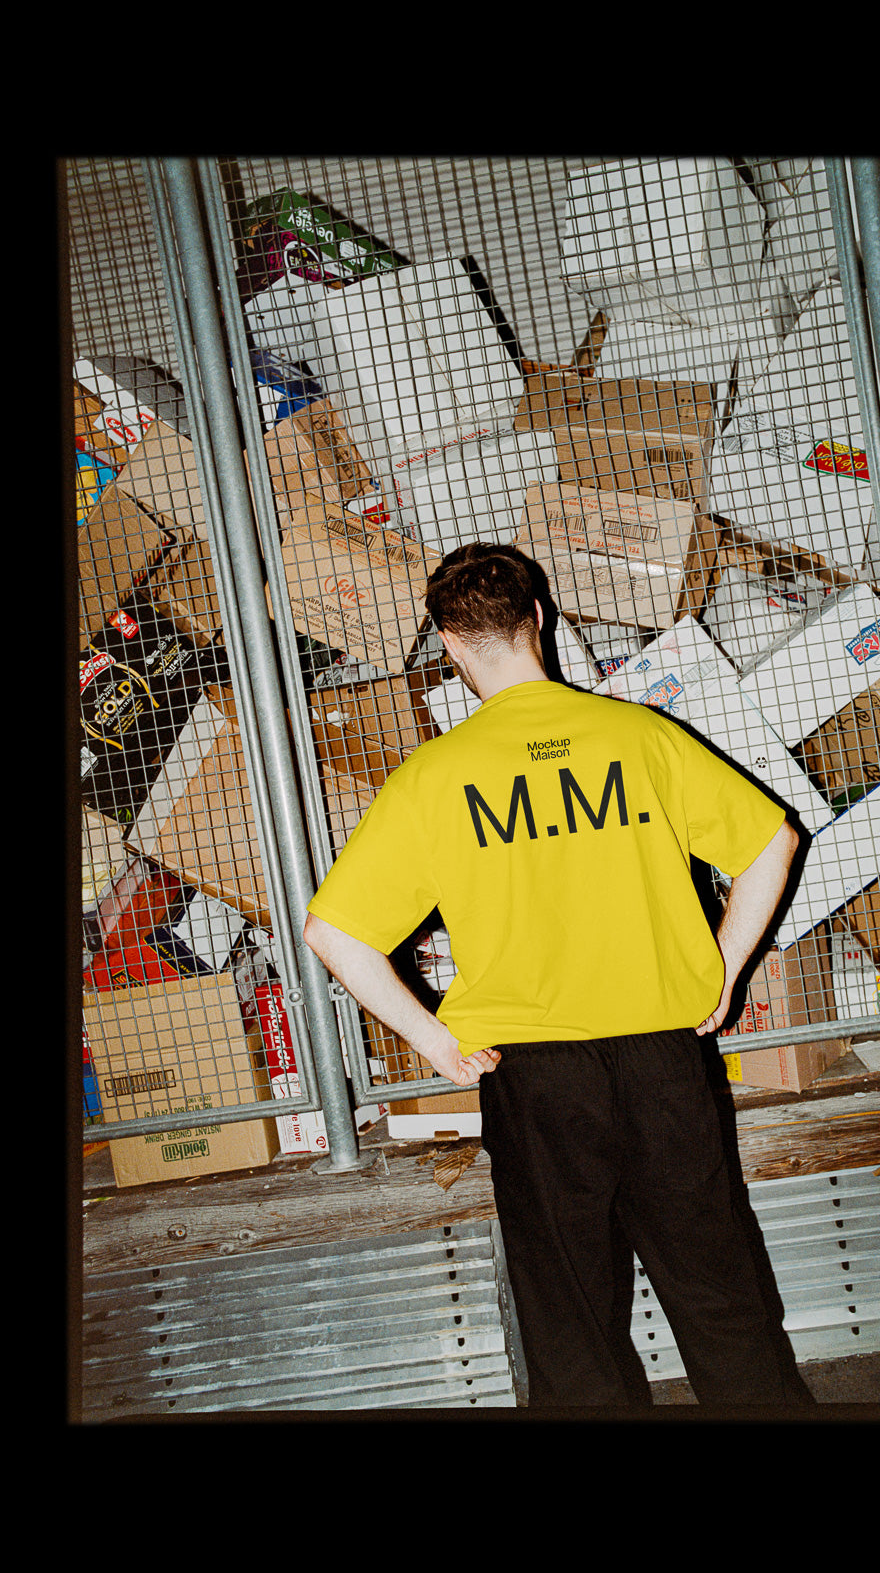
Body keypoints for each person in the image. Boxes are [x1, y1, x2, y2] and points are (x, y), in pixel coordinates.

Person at [304, 542, 813, 1412]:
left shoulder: (434, 779)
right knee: (719, 1290)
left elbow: (332, 932)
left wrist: (433, 1038)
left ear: (451, 644)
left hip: (533, 1076)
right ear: (539, 620)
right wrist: (720, 972)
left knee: (570, 1317)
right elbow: (774, 841)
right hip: (663, 1058)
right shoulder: (639, 737)